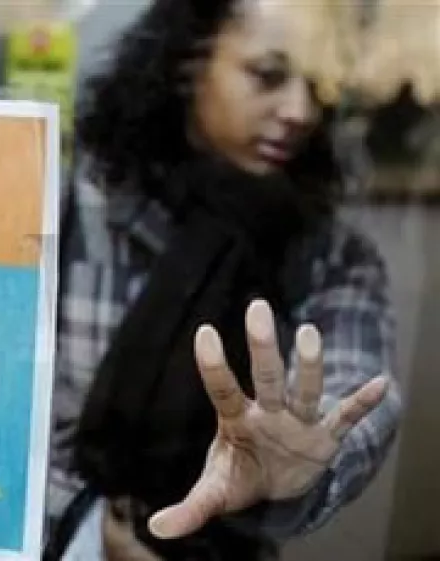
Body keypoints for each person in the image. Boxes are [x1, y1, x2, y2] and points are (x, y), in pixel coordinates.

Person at [43, 0, 403, 560]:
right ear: (186, 63)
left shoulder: (331, 256)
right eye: (268, 75)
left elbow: (359, 395)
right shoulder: (71, 209)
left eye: (319, 83)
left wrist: (309, 459)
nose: (300, 110)